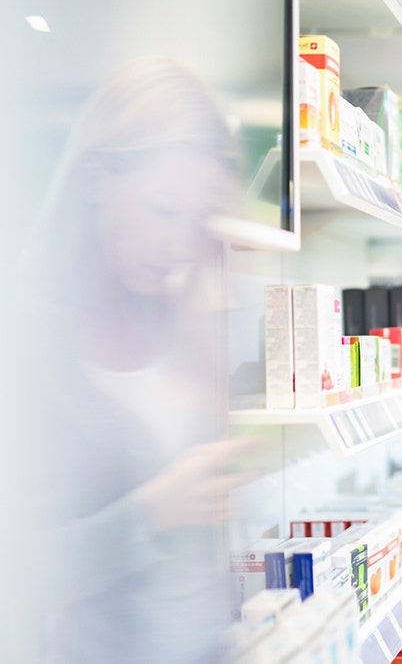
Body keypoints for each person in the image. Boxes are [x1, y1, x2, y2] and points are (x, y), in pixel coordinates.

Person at [14, 57, 256, 663]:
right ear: (98, 183)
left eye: (196, 221)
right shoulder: (27, 340)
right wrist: (150, 513)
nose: (177, 245)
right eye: (163, 210)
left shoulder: (177, 316)